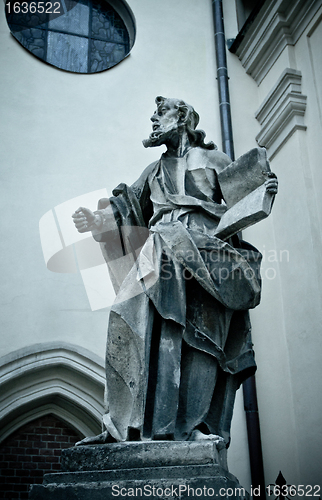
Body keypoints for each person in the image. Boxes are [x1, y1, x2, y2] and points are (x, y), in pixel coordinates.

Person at [72, 96, 278, 446]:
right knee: (140, 326)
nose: (153, 119)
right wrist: (98, 220)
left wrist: (263, 191)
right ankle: (128, 426)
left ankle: (192, 426)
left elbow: (241, 201)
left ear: (181, 117)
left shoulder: (214, 160)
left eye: (160, 112)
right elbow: (127, 209)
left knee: (202, 340)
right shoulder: (153, 171)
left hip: (209, 257)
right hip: (160, 252)